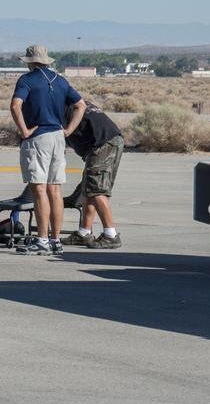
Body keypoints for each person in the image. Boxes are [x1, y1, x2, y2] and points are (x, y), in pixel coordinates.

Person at [10, 45, 86, 256]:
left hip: (38, 137)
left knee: (39, 189)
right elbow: (80, 104)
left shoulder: (27, 80)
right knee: (55, 189)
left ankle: (42, 240)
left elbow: (16, 105)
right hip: (58, 137)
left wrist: (24, 130)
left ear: (30, 62)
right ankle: (55, 239)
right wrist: (69, 129)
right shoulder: (60, 80)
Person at [62, 102, 125, 249]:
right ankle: (84, 232)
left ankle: (111, 235)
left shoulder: (60, 105)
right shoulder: (72, 100)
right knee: (89, 188)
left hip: (102, 142)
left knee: (96, 189)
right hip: (106, 140)